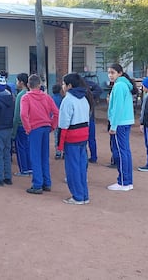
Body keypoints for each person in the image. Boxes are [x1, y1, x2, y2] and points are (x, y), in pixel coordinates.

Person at [21, 74, 59, 195]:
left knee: (35, 156)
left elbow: (23, 114)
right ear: (39, 85)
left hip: (34, 129)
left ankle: (37, 184)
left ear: (28, 85)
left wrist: (28, 128)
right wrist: (52, 126)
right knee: (44, 156)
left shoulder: (26, 98)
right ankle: (46, 183)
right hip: (45, 127)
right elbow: (56, 113)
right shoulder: (46, 97)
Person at [58, 73, 91, 205]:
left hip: (71, 137)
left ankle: (77, 196)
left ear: (69, 85)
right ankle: (84, 195)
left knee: (73, 168)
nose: (62, 86)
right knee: (82, 166)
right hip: (83, 136)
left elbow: (63, 124)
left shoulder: (68, 100)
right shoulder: (84, 98)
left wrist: (60, 145)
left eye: (64, 84)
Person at [107, 63, 136, 192]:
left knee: (120, 152)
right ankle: (127, 181)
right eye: (109, 72)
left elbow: (118, 107)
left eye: (112, 72)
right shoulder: (124, 85)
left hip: (120, 123)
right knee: (125, 151)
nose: (110, 75)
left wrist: (113, 125)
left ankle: (123, 181)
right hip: (125, 121)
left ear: (120, 73)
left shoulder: (119, 86)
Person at [12, 73, 31, 177]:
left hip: (20, 126)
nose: (16, 83)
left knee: (21, 148)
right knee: (28, 147)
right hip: (29, 125)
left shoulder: (20, 95)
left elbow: (16, 115)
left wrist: (13, 132)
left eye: (17, 81)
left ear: (21, 82)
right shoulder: (29, 93)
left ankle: (23, 169)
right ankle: (29, 167)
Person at [51, 83, 64, 159]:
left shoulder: (51, 98)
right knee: (63, 136)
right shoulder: (62, 99)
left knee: (56, 137)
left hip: (55, 121)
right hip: (62, 120)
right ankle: (64, 152)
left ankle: (58, 153)